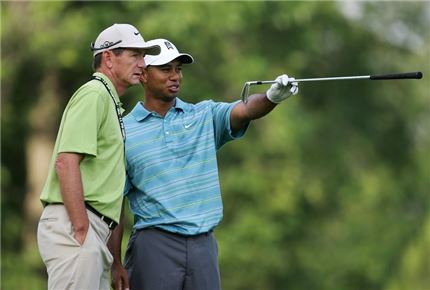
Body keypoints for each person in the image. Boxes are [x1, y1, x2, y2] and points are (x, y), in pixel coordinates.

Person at [109, 38, 298, 290]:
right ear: (143, 74)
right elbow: (115, 203)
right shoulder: (124, 131)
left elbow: (244, 110)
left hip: (203, 246)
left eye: (179, 69)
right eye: (166, 69)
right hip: (153, 245)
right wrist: (115, 262)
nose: (175, 76)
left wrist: (271, 97)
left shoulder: (203, 115)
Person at [37, 23, 160, 290]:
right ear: (108, 58)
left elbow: (111, 192)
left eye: (143, 55)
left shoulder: (109, 100)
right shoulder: (94, 94)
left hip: (94, 230)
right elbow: (65, 161)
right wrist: (82, 231)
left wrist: (114, 259)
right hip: (77, 225)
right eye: (134, 55)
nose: (143, 63)